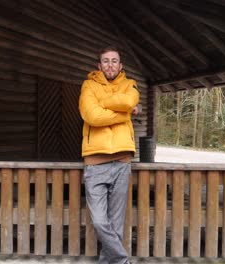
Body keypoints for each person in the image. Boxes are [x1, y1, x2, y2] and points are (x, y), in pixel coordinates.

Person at [79, 46, 139, 264]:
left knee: (116, 222)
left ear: (120, 65)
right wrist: (125, 115)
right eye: (106, 61)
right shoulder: (89, 85)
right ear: (99, 65)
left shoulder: (130, 84)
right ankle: (123, 260)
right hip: (95, 162)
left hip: (122, 161)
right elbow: (92, 116)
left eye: (114, 61)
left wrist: (103, 102)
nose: (110, 65)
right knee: (99, 221)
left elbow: (129, 101)